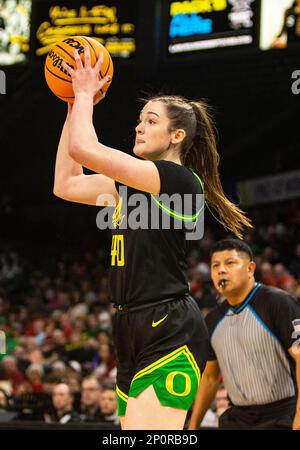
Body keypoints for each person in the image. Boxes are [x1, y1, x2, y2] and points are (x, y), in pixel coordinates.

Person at [54, 46, 252, 429]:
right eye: (139, 120)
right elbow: (66, 182)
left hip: (168, 325)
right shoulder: (131, 185)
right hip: (129, 326)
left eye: (150, 121)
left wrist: (82, 95)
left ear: (177, 135)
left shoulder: (177, 180)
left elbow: (85, 148)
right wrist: (70, 104)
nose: (139, 127)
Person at [189, 239, 300, 430]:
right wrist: (192, 428)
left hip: (282, 416)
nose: (221, 270)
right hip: (237, 419)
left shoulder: (278, 303)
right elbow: (209, 378)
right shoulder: (212, 319)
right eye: (215, 265)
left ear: (250, 269)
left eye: (230, 263)